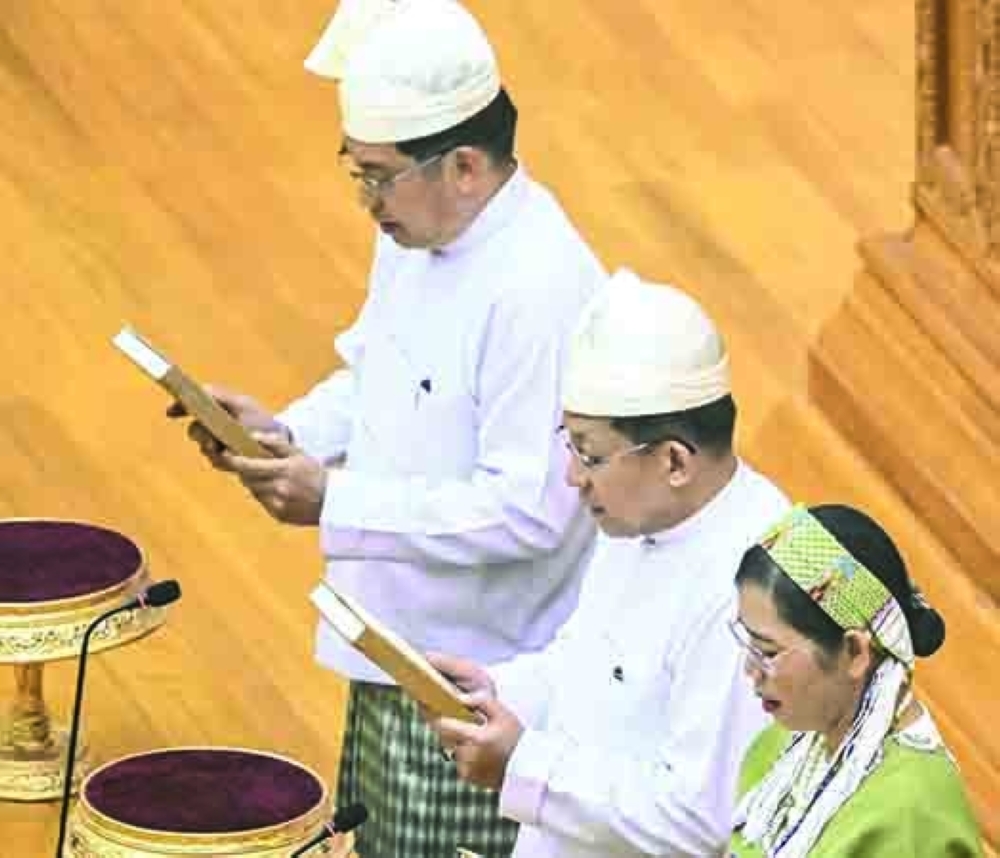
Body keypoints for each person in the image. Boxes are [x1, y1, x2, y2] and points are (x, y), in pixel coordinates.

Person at [174, 1, 605, 855]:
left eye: (378, 176)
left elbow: (529, 509)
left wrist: (332, 501)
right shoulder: (416, 227)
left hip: (476, 681)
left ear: (467, 167)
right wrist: (283, 436)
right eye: (356, 172)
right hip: (390, 648)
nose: (366, 200)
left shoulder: (539, 289)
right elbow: (377, 371)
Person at [427, 269, 791, 857]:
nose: (572, 477)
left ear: (674, 460)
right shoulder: (636, 516)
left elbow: (700, 821)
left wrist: (524, 765)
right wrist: (494, 690)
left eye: (590, 455)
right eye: (568, 446)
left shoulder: (748, 589)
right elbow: (584, 668)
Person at [728, 504, 984, 856]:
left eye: (769, 653)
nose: (751, 671)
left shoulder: (912, 816)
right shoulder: (781, 746)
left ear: (855, 652)